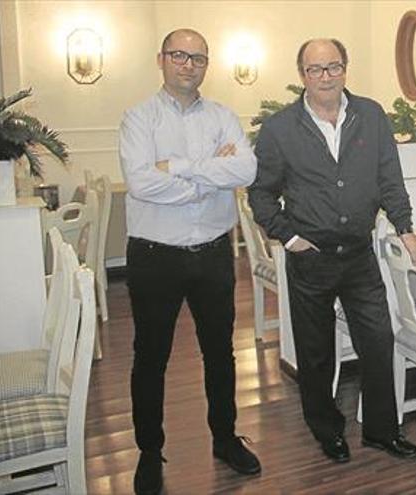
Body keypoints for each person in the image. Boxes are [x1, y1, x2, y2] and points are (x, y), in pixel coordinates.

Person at [248, 38, 416, 463]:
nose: (325, 77)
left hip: (360, 255)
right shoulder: (280, 129)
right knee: (316, 352)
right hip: (310, 258)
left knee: (378, 342)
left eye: (333, 67)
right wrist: (289, 238)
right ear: (302, 74)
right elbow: (262, 195)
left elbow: (389, 179)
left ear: (345, 68)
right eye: (315, 69)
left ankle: (382, 431)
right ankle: (327, 431)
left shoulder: (372, 116)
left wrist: (405, 227)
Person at [120, 28, 261, 495]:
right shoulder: (138, 119)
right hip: (155, 256)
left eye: (198, 57)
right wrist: (209, 175)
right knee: (151, 357)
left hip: (214, 253)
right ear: (161, 59)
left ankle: (224, 438)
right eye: (179, 55)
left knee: (220, 353)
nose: (188, 64)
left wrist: (178, 167)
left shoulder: (223, 115)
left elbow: (245, 169)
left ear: (207, 63)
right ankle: (147, 451)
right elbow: (142, 184)